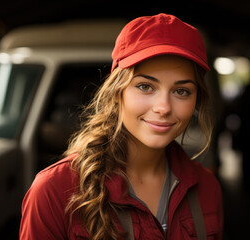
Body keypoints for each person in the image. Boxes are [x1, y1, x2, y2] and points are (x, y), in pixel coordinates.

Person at [19, 13, 224, 240]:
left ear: (196, 100)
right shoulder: (53, 191)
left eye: (181, 91)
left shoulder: (207, 187)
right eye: (146, 86)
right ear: (117, 93)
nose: (163, 107)